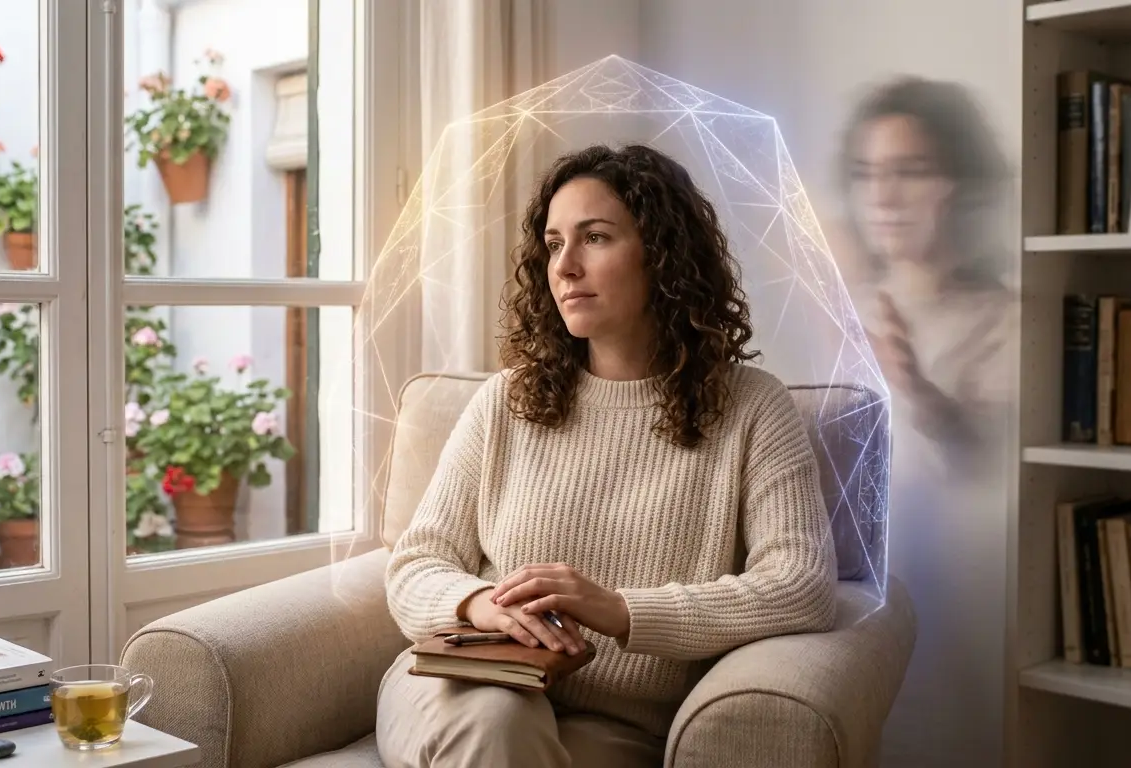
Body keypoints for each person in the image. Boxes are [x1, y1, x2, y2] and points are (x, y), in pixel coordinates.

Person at [376, 143, 838, 768]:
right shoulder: (505, 401)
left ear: (664, 256)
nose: (564, 266)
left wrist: (622, 612)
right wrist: (482, 607)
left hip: (611, 724)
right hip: (462, 686)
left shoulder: (753, 409)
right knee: (497, 721)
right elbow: (417, 562)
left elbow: (800, 585)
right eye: (554, 242)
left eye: (594, 237)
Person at [836, 75, 1016, 461]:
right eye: (865, 174)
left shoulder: (1008, 323)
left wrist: (917, 393)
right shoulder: (844, 307)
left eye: (910, 172)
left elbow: (993, 476)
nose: (882, 197)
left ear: (963, 184)